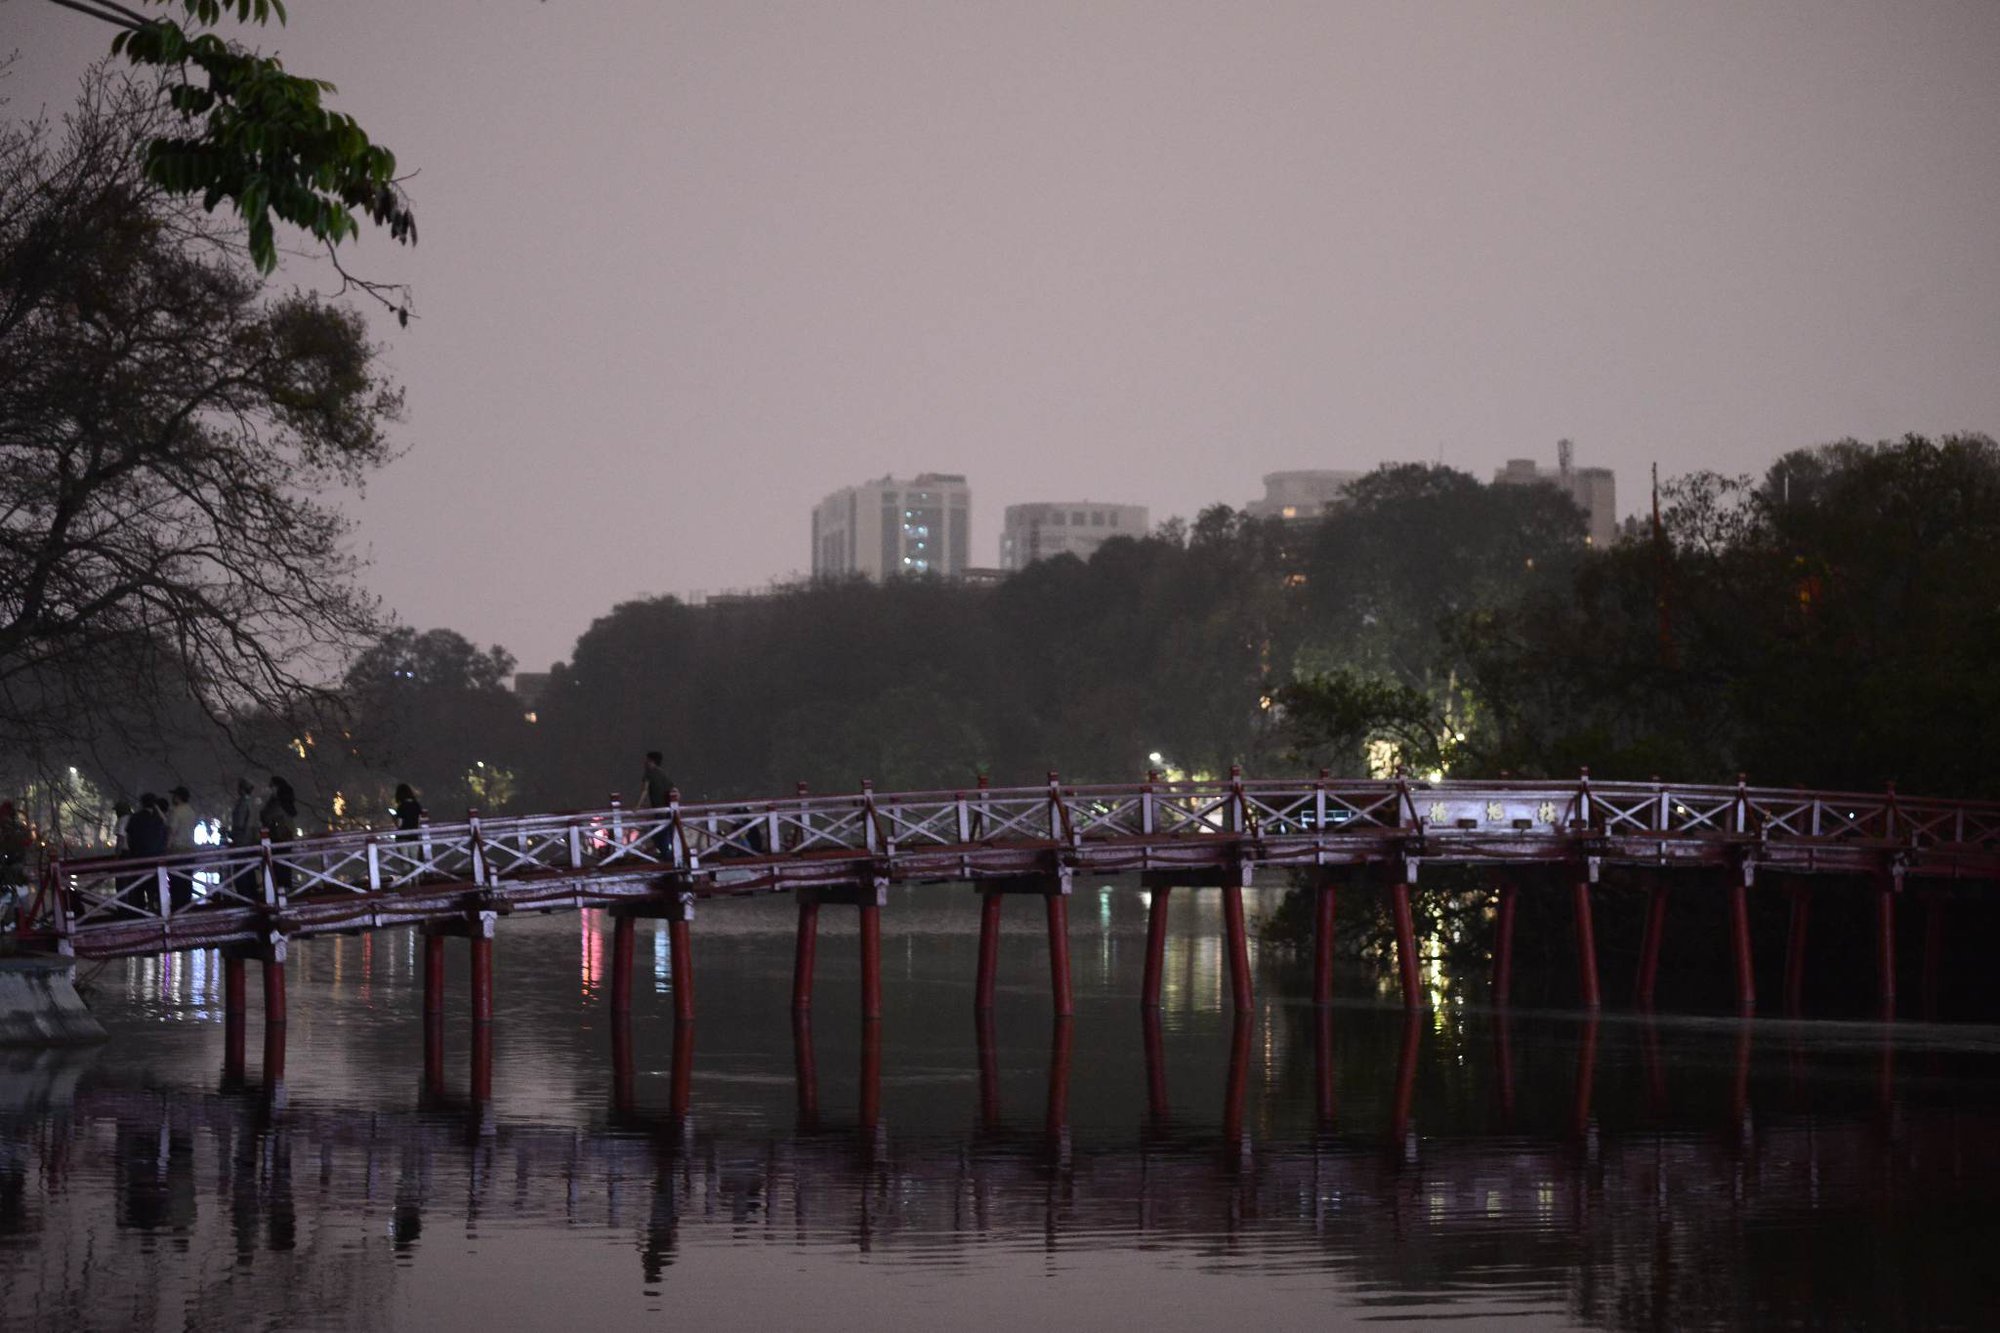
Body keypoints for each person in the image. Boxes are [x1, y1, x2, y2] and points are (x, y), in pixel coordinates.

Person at [125, 795, 169, 914]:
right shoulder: (159, 819)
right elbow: (165, 836)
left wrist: (133, 851)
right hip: (156, 859)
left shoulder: (135, 818)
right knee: (156, 886)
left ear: (142, 803)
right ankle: (158, 910)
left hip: (139, 858)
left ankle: (139, 911)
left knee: (139, 887)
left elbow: (130, 837)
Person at [260, 777, 299, 894]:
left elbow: (265, 816)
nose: (270, 789)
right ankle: (284, 889)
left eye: (271, 787)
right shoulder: (287, 802)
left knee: (278, 865)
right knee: (285, 864)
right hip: (286, 836)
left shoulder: (277, 803)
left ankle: (280, 892)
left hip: (278, 836)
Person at [164, 786, 198, 910]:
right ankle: (186, 907)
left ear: (178, 797)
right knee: (187, 881)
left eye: (174, 795)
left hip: (177, 850)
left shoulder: (176, 811)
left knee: (176, 882)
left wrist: (166, 848)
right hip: (190, 850)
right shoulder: (191, 811)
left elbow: (172, 831)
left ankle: (177, 908)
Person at [637, 751, 674, 860]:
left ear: (651, 761)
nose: (644, 762)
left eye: (646, 760)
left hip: (659, 810)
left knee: (656, 833)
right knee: (666, 834)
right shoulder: (663, 774)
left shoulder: (649, 773)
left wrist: (638, 806)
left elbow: (645, 790)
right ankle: (669, 857)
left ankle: (666, 857)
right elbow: (673, 789)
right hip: (669, 810)